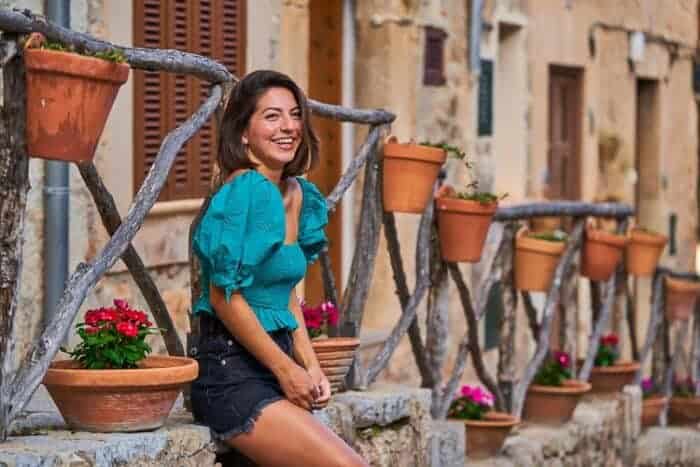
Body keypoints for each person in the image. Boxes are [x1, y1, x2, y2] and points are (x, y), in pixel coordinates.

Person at [190, 70, 368, 467]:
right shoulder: (245, 190)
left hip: (274, 362)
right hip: (231, 370)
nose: (288, 126)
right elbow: (224, 298)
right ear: (242, 133)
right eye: (271, 117)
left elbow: (286, 298)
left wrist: (311, 366)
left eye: (294, 114)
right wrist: (286, 369)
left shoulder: (300, 194)